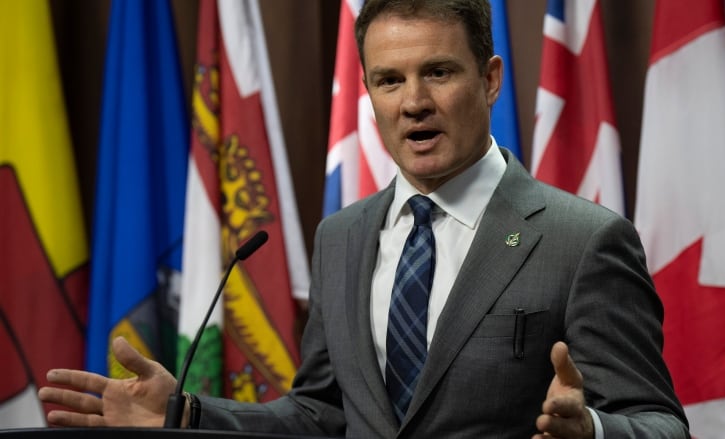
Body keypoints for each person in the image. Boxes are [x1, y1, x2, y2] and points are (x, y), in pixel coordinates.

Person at [39, 0, 689, 437]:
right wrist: (184, 414)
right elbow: (323, 411)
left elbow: (661, 422)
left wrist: (597, 429)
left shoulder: (583, 240)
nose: (414, 102)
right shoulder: (343, 236)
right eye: (389, 79)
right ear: (370, 93)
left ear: (491, 80)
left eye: (438, 72)